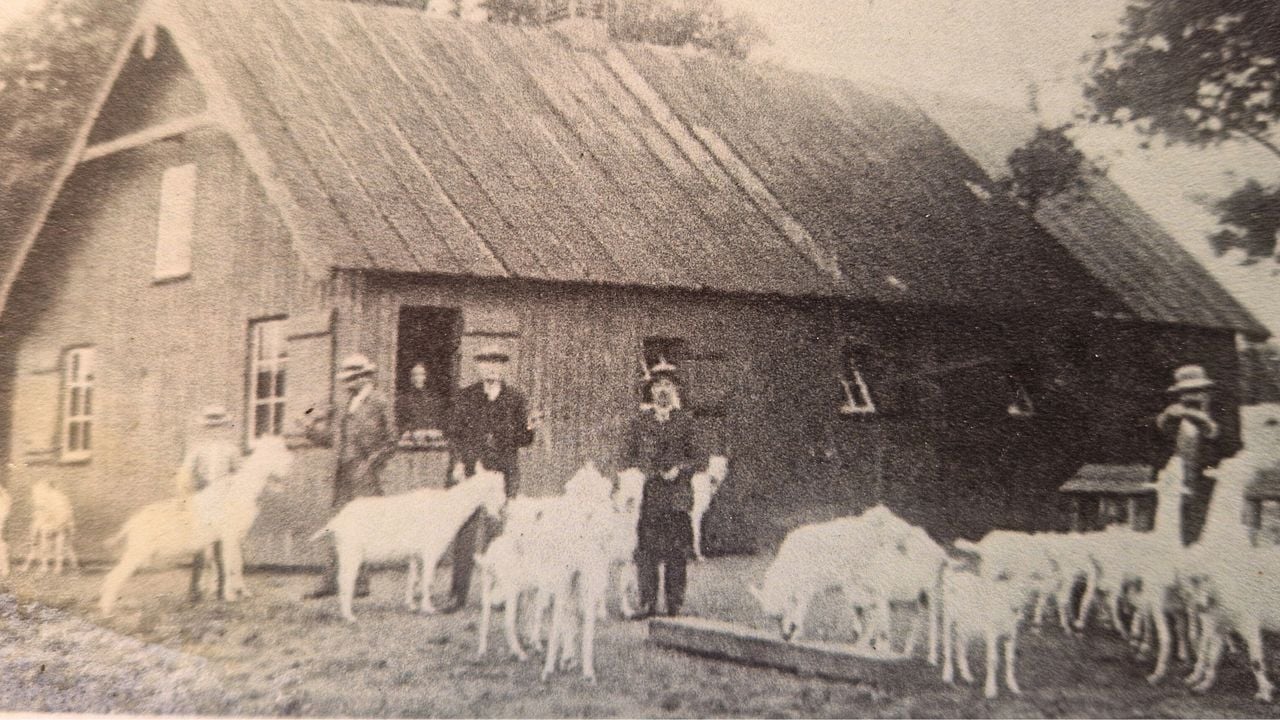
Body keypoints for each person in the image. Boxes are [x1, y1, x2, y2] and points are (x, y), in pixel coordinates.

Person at [444, 345, 540, 610]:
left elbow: (524, 439)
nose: (491, 369)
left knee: (498, 534)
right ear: (479, 368)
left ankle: (499, 593)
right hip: (473, 475)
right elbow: (453, 434)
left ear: (503, 368)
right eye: (486, 364)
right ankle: (457, 595)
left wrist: (530, 427)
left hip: (502, 475)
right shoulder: (466, 397)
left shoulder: (515, 399)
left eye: (496, 364)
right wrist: (459, 463)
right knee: (465, 533)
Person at [303, 353, 397, 600]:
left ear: (364, 378)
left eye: (350, 379)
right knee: (338, 527)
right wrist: (311, 432)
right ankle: (330, 582)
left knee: (362, 528)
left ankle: (361, 583)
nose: (346, 384)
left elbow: (391, 441)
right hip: (342, 475)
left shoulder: (380, 402)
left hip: (364, 476)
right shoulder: (346, 404)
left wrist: (371, 463)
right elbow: (334, 439)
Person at [623, 360, 700, 618]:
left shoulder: (686, 422)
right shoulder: (639, 423)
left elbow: (697, 458)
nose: (663, 390)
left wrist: (680, 469)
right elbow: (628, 458)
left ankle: (674, 603)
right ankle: (647, 602)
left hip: (677, 497)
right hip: (650, 496)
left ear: (675, 389)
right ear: (651, 390)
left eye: (668, 384)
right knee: (647, 552)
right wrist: (645, 475)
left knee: (676, 553)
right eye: (658, 385)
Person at [175, 404, 241, 602]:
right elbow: (185, 473)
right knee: (199, 544)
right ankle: (195, 589)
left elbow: (239, 475)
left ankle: (221, 589)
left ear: (224, 427)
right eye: (210, 426)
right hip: (202, 498)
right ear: (205, 428)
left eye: (218, 425)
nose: (214, 430)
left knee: (220, 544)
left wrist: (230, 491)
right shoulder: (197, 450)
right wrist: (189, 491)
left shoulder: (231, 450)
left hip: (222, 499)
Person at [1156, 364, 1220, 545]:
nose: (1193, 397)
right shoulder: (1174, 416)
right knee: (1175, 511)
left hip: (1205, 471)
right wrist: (1171, 416)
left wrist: (1199, 417)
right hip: (1178, 469)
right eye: (1187, 392)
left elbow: (1214, 433)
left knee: (1203, 513)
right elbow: (1162, 429)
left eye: (1199, 391)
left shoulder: (1212, 415)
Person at [397, 362, 448, 445]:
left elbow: (438, 421)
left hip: (430, 442)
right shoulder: (403, 399)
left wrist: (431, 432)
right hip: (410, 442)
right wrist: (411, 432)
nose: (417, 378)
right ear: (410, 378)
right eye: (414, 375)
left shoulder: (433, 399)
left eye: (421, 374)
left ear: (425, 377)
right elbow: (400, 423)